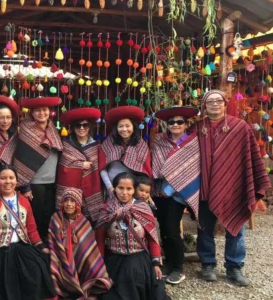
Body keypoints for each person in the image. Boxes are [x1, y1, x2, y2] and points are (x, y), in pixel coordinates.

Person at [195, 90, 270, 286]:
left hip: (234, 185)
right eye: (209, 101)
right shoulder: (197, 128)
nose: (214, 104)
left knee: (236, 227)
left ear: (225, 103)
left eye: (218, 101)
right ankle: (207, 264)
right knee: (204, 228)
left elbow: (250, 156)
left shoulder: (239, 127)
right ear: (204, 106)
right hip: (205, 186)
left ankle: (234, 267)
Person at [0, 165, 56, 300]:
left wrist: (41, 247)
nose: (8, 181)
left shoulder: (23, 201)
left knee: (38, 271)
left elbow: (31, 229)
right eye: (3, 178)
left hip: (22, 249)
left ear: (16, 181)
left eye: (11, 178)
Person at [97, 172, 170, 300]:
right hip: (114, 262)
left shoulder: (143, 209)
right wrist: (99, 267)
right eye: (121, 188)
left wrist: (156, 264)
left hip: (140, 262)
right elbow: (100, 240)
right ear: (114, 188)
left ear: (134, 190)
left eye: (129, 188)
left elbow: (152, 239)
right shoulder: (107, 210)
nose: (124, 192)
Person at [151, 106, 201, 285]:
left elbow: (191, 170)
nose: (175, 124)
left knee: (172, 231)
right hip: (158, 192)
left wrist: (169, 190)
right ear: (167, 124)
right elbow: (155, 166)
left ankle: (178, 268)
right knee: (163, 229)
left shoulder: (193, 142)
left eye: (180, 121)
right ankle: (170, 263)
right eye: (171, 122)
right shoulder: (159, 141)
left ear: (186, 123)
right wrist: (158, 190)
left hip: (177, 195)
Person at [13, 96, 63, 241]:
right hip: (35, 182)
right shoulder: (26, 130)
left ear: (49, 112)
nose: (42, 113)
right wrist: (25, 186)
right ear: (32, 113)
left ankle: (47, 244)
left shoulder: (52, 129)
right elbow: (21, 158)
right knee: (36, 214)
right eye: (38, 110)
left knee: (49, 214)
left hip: (52, 181)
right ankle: (35, 243)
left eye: (45, 110)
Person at [48, 188, 113, 299]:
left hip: (79, 261)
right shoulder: (56, 218)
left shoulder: (84, 222)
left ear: (78, 204)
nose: (69, 204)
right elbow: (53, 242)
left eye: (72, 201)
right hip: (60, 259)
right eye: (66, 200)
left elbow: (89, 249)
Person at [56, 108, 105, 228]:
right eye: (78, 125)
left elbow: (100, 168)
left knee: (89, 223)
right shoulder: (65, 144)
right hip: (70, 187)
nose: (82, 128)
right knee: (69, 220)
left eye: (85, 125)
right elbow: (62, 167)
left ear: (89, 127)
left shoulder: (96, 146)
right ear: (73, 127)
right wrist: (80, 165)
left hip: (91, 188)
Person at [99, 106, 151, 195]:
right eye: (121, 126)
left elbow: (144, 172)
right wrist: (110, 188)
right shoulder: (107, 144)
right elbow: (102, 168)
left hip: (133, 192)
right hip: (111, 190)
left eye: (127, 126)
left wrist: (135, 191)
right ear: (116, 128)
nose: (124, 129)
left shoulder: (141, 145)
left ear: (133, 127)